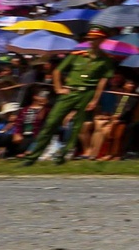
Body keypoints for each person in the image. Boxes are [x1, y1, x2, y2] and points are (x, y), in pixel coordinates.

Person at [21, 31, 117, 165]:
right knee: (51, 122)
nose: (92, 41)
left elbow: (102, 82)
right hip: (70, 91)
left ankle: (62, 156)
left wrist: (95, 100)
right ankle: (32, 157)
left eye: (95, 39)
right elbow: (57, 71)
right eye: (90, 39)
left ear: (102, 40)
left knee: (77, 127)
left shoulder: (105, 60)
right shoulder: (76, 56)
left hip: (87, 93)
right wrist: (58, 88)